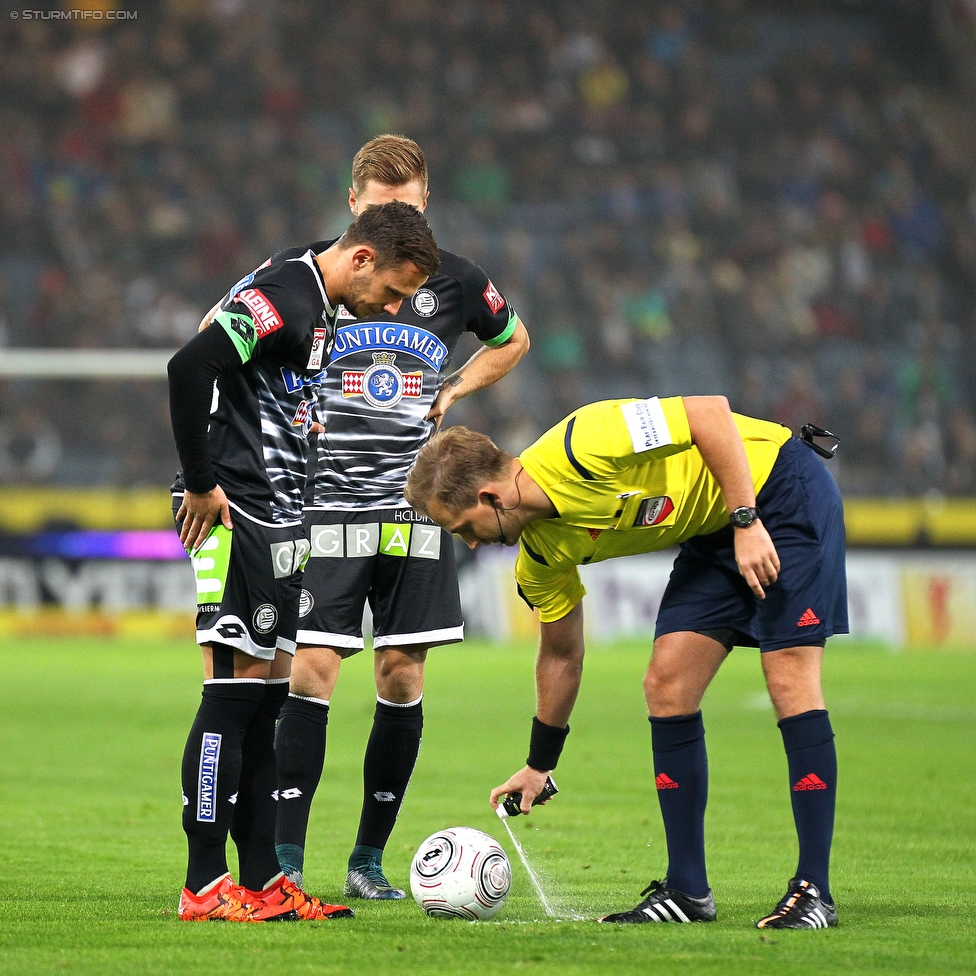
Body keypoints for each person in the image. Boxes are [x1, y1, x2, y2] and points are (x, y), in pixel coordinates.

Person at [405, 395, 847, 929]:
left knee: (789, 676)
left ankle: (813, 890)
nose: (471, 545)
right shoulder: (541, 557)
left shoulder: (584, 443)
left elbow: (710, 414)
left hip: (772, 491)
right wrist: (541, 762)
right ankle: (687, 890)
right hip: (712, 533)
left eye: (465, 527)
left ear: (490, 495)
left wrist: (747, 520)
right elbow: (561, 654)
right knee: (667, 684)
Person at [272, 135, 530, 900]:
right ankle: (286, 860)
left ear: (426, 205)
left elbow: (514, 338)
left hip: (418, 510)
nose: (393, 221)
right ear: (354, 206)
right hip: (330, 503)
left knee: (402, 672)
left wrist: (456, 388)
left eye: (408, 208)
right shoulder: (313, 275)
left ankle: (367, 861)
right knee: (313, 669)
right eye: (381, 208)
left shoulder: (455, 280)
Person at [168, 201, 439, 922]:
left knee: (265, 707)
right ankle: (204, 884)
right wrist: (200, 481)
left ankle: (261, 882)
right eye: (390, 290)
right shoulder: (287, 295)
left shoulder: (317, 299)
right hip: (235, 509)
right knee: (231, 697)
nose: (392, 306)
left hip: (281, 515)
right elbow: (191, 362)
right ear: (360, 260)